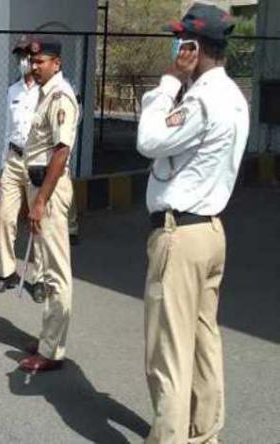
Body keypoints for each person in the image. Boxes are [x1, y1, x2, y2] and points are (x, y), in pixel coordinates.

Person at [136, 4, 248, 443]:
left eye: (180, 41)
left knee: (169, 351)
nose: (176, 49)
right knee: (203, 342)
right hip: (210, 231)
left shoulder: (201, 99)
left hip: (180, 235)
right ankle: (204, 433)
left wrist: (168, 82)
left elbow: (148, 139)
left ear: (194, 48)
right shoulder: (234, 97)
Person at [17, 37, 79, 373]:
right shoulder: (44, 94)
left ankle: (52, 350)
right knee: (48, 266)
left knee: (56, 272)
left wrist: (40, 200)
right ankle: (47, 338)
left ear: (57, 63)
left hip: (50, 191)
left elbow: (61, 151)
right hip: (39, 186)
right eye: (33, 61)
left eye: (40, 61)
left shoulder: (60, 97)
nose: (34, 66)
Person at [0, 35, 41, 294]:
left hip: (37, 161)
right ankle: (7, 272)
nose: (23, 61)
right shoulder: (13, 90)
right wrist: (3, 165)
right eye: (19, 56)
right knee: (5, 218)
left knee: (39, 221)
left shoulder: (48, 90)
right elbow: (7, 131)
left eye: (26, 56)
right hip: (13, 158)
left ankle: (39, 278)